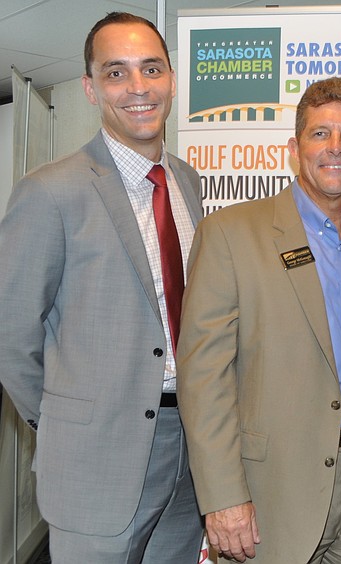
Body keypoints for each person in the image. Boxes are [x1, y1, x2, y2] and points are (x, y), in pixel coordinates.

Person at [177, 77, 341, 563]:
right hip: (270, 493)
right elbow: (203, 378)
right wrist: (224, 496)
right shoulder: (229, 234)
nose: (336, 148)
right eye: (320, 133)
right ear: (295, 148)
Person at [0, 12, 203, 562]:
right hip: (95, 457)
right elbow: (10, 334)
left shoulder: (188, 183)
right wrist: (64, 420)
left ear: (171, 79)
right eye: (117, 73)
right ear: (91, 88)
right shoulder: (48, 192)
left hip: (190, 450)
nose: (138, 88)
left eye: (151, 69)